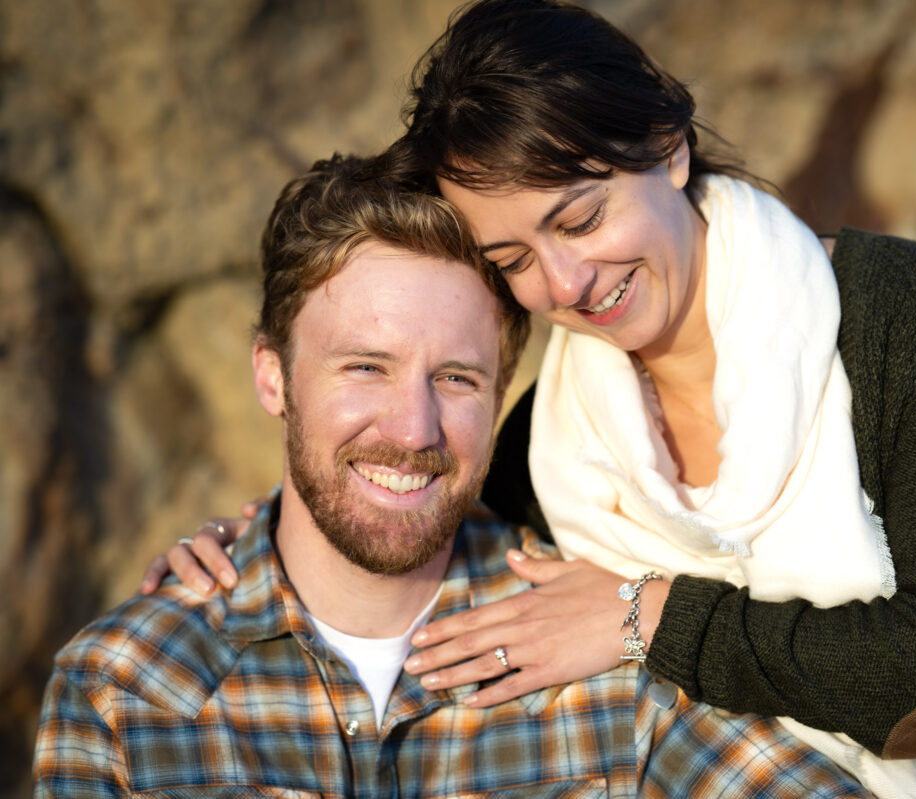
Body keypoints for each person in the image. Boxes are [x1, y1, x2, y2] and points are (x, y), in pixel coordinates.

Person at [146, 1, 916, 796]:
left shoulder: (888, 313)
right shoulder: (556, 438)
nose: (565, 283)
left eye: (581, 218)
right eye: (512, 261)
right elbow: (403, 500)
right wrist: (250, 549)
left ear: (668, 151)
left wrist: (651, 615)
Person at [34, 153, 872, 798]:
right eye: (365, 366)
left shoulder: (597, 645)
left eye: (456, 378)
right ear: (272, 376)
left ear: (501, 392)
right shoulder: (124, 685)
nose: (413, 430)